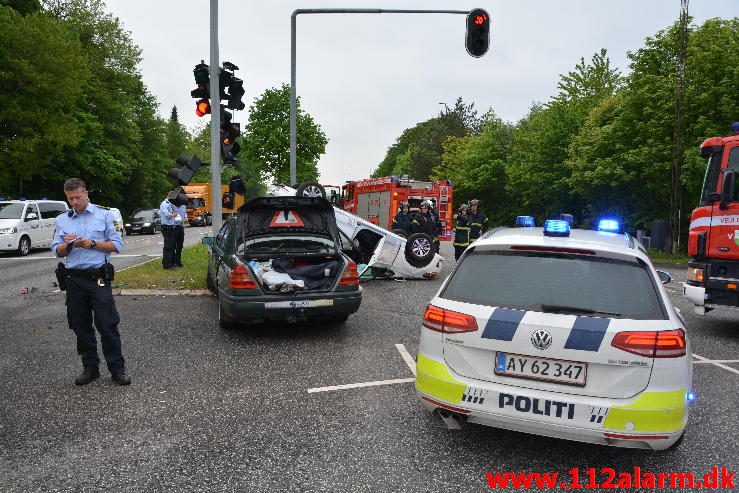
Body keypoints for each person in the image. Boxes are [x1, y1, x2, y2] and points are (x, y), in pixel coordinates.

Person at [52, 178, 129, 386]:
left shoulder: (105, 215)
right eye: (70, 199)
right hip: (74, 280)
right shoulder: (62, 220)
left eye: (78, 197)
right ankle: (90, 368)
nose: (74, 202)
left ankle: (117, 368)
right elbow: (56, 250)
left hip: (98, 279)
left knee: (107, 324)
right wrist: (67, 245)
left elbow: (117, 245)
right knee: (80, 326)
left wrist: (93, 243)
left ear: (86, 193)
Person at [159, 196, 181, 269]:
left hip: (171, 227)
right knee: (168, 246)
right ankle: (167, 264)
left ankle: (171, 262)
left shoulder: (170, 204)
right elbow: (168, 216)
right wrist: (175, 214)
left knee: (172, 246)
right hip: (167, 227)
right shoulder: (165, 204)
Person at [174, 202, 187, 267]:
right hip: (174, 226)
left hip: (181, 226)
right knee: (173, 245)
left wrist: (185, 217)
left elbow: (185, 213)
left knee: (180, 245)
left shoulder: (183, 206)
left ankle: (178, 262)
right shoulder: (172, 205)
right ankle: (174, 262)